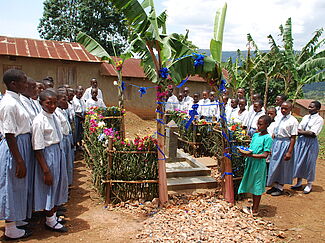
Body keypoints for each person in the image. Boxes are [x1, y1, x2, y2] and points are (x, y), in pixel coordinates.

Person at [0, 69, 32, 240]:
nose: (26, 84)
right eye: (23, 81)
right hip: (15, 146)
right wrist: (19, 160)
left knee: (19, 184)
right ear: (13, 84)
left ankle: (17, 218)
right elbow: (10, 134)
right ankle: (10, 227)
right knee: (11, 185)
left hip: (22, 144)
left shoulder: (17, 100)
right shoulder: (8, 103)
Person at [32, 89, 68, 232]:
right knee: (49, 186)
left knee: (57, 184)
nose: (52, 106)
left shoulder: (54, 117)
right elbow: (38, 148)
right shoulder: (38, 121)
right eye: (49, 103)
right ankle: (50, 220)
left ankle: (52, 215)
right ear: (41, 103)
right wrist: (45, 170)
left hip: (57, 152)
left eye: (54, 103)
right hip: (48, 155)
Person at [238, 115, 273, 216]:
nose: (258, 126)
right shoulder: (256, 135)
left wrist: (250, 155)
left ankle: (255, 209)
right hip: (250, 162)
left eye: (261, 124)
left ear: (267, 125)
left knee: (257, 186)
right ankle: (253, 206)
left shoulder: (268, 138)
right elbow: (251, 147)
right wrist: (245, 152)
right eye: (258, 123)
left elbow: (265, 155)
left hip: (258, 164)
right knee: (251, 183)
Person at [267, 101, 298, 196]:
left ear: (290, 109)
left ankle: (280, 187)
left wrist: (289, 152)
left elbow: (293, 137)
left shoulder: (293, 121)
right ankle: (275, 185)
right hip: (276, 142)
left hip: (285, 144)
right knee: (274, 165)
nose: (283, 110)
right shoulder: (279, 118)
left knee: (283, 166)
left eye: (286, 108)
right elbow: (274, 132)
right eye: (282, 108)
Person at [292, 101, 324, 194]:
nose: (309, 108)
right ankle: (299, 182)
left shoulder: (319, 119)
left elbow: (312, 133)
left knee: (309, 162)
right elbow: (300, 128)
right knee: (299, 161)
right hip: (301, 142)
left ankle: (309, 184)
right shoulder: (305, 117)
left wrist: (301, 132)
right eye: (309, 107)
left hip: (310, 143)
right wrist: (303, 132)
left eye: (312, 107)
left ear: (317, 109)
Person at [56, 90, 74, 186]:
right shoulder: (56, 113)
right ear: (57, 101)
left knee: (68, 164)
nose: (66, 102)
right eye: (64, 100)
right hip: (62, 140)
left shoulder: (62, 111)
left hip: (66, 138)